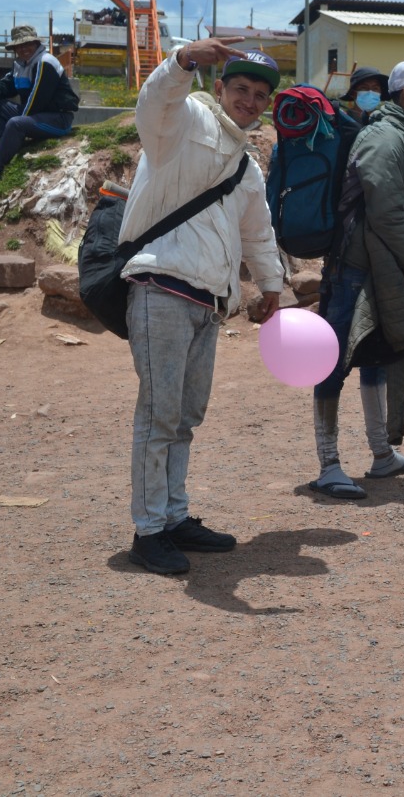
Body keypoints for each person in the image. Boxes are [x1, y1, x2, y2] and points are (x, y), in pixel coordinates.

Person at [121, 39, 285, 574]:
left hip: (210, 301)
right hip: (161, 287)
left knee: (186, 416)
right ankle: (149, 531)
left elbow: (257, 232)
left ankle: (174, 517)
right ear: (219, 88)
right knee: (159, 413)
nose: (251, 100)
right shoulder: (182, 122)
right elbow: (154, 100)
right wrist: (183, 59)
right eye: (241, 88)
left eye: (261, 94)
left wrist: (272, 286)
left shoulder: (249, 167)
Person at [308, 59, 404, 499]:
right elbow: (387, 210)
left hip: (374, 263)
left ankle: (381, 454)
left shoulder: (403, 134)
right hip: (355, 266)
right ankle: (328, 463)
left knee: (376, 352)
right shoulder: (387, 138)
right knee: (334, 359)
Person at [0, 25, 79, 192]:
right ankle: (5, 148)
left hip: (58, 119)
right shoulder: (20, 64)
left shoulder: (45, 62)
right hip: (35, 115)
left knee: (16, 124)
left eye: (27, 44)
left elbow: (36, 100)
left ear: (36, 43)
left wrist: (17, 126)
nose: (23, 49)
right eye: (19, 46)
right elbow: (6, 86)